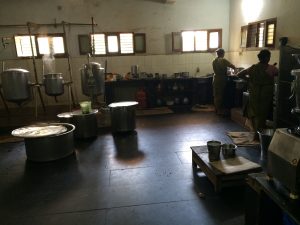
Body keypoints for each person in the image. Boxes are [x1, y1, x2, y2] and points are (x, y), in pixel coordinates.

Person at [236, 49, 278, 132]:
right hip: (266, 95)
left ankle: (255, 131)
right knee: (262, 114)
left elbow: (239, 74)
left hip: (254, 93)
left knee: (254, 113)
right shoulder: (272, 68)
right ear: (267, 58)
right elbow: (281, 75)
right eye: (269, 57)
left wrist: (249, 80)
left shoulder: (253, 68)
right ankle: (259, 133)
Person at [212, 48, 236, 115]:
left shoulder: (214, 61)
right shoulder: (223, 60)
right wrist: (235, 70)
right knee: (220, 94)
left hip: (215, 78)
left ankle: (216, 109)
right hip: (221, 79)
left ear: (217, 54)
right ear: (223, 53)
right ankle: (220, 110)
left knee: (216, 94)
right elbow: (233, 66)